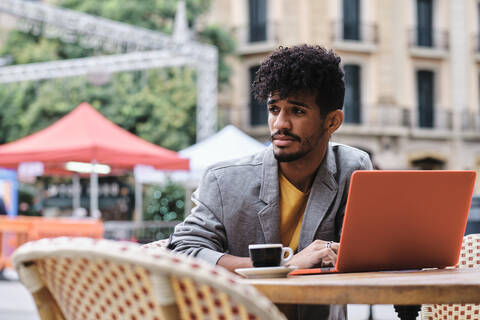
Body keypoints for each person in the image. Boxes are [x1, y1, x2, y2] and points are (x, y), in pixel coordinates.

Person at [168, 44, 373, 320]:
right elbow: (182, 251)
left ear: (333, 121)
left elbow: (367, 254)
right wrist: (284, 264)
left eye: (297, 111)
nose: (280, 124)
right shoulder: (225, 180)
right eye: (274, 109)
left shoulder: (353, 168)